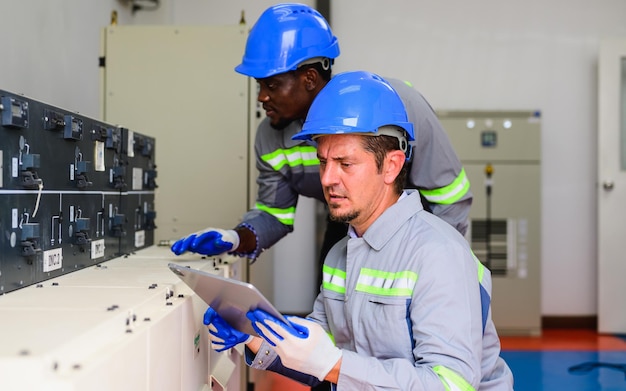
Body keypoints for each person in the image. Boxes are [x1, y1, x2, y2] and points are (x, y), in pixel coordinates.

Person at [204, 71, 513, 390]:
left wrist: (335, 365)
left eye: (345, 164)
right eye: (323, 162)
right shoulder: (340, 256)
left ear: (391, 166)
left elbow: (451, 384)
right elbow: (316, 355)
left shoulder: (438, 255)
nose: (327, 179)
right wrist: (257, 339)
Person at [170, 3, 472, 266]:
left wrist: (442, 261)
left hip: (418, 224)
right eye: (258, 85)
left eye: (271, 85)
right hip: (348, 223)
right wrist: (236, 238)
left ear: (310, 78)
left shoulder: (396, 105)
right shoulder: (271, 137)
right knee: (333, 303)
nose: (261, 97)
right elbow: (275, 214)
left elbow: (449, 197)